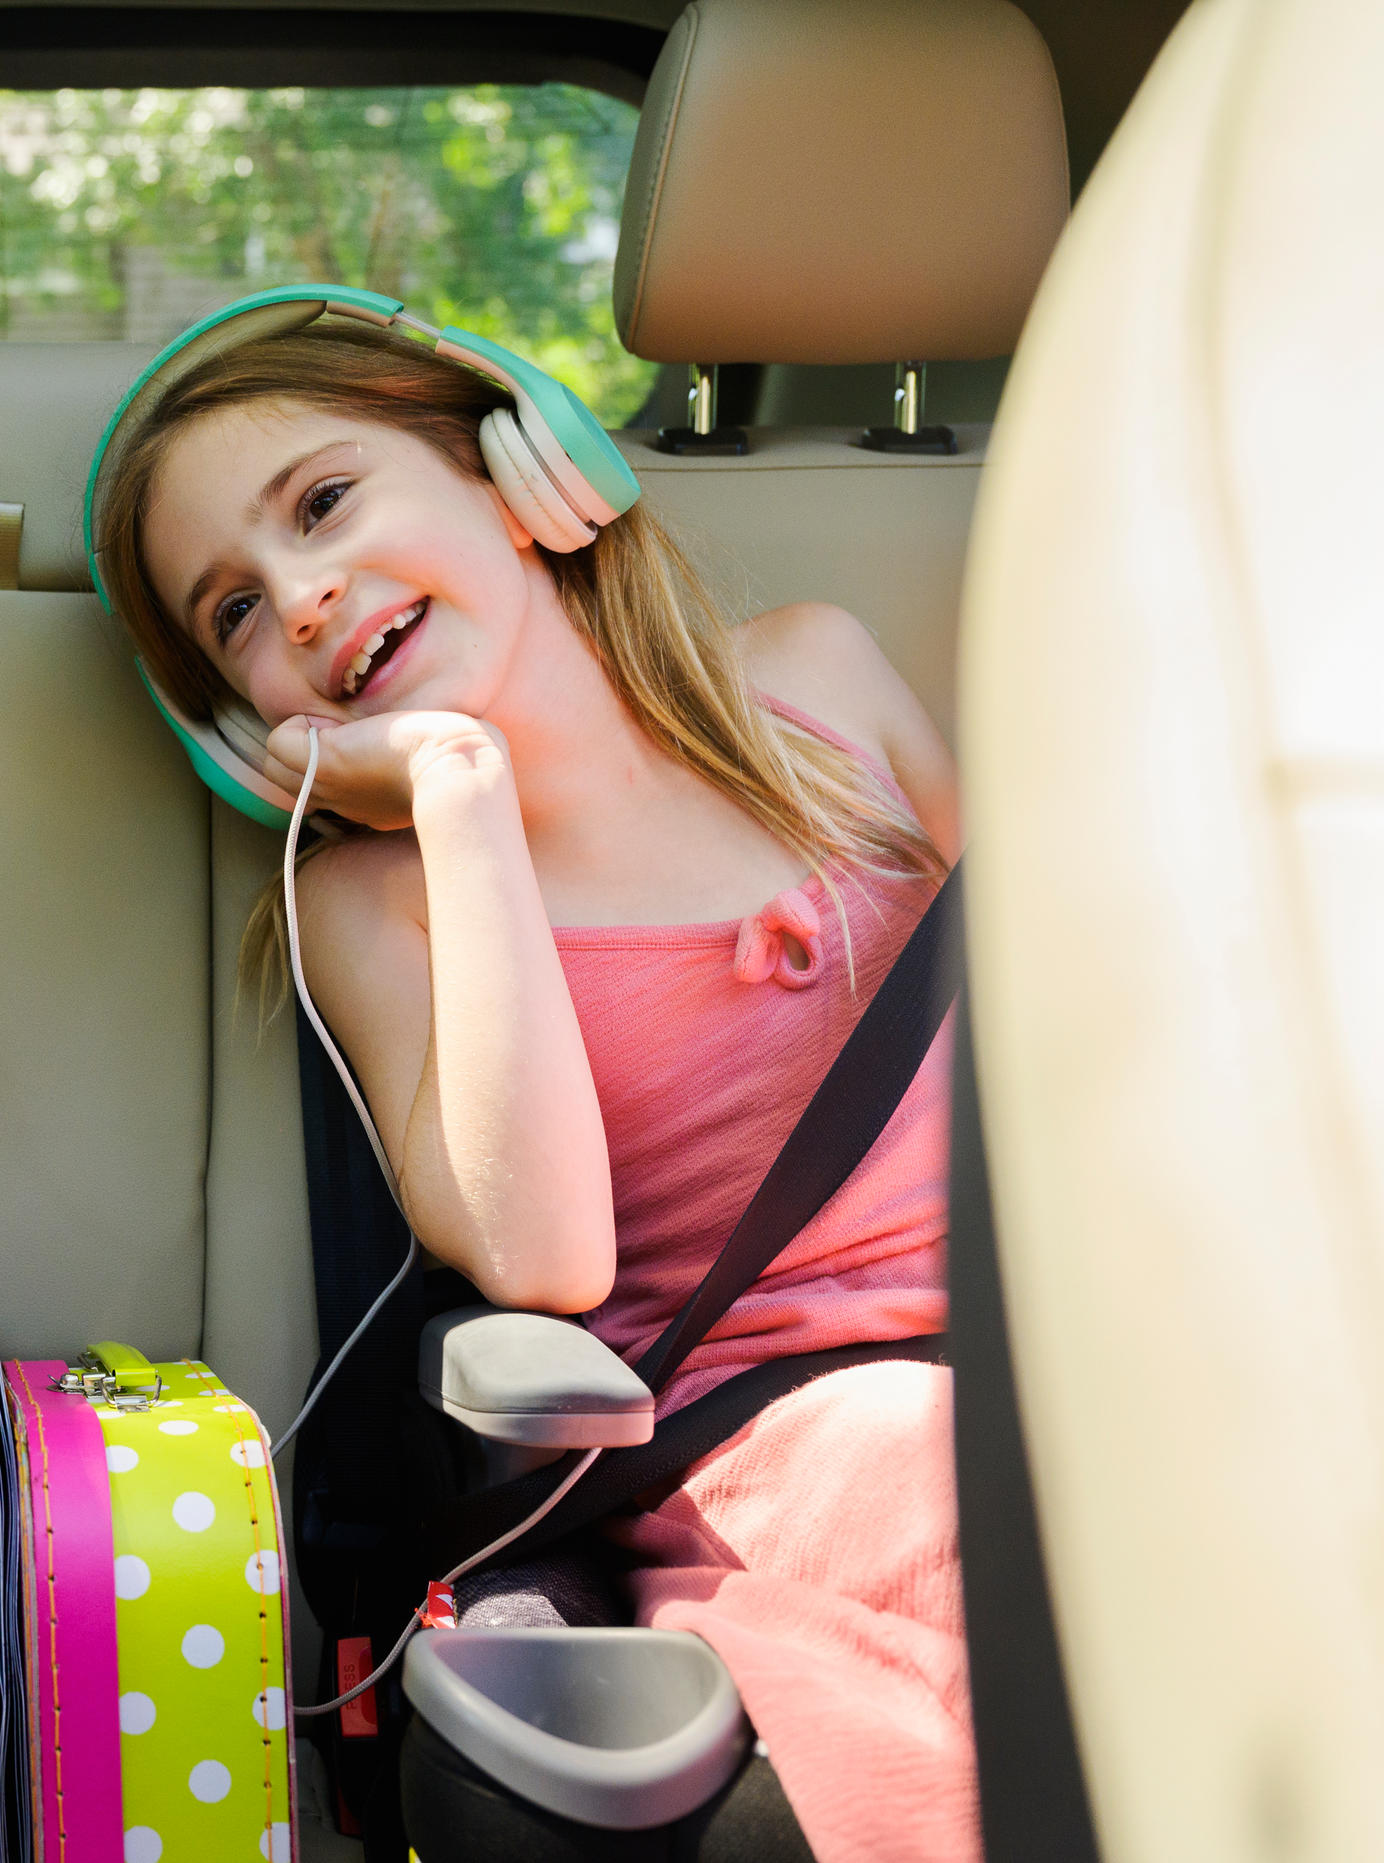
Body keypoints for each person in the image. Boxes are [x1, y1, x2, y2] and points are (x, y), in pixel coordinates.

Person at [92, 307, 972, 1861]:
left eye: (323, 503)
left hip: (1057, 1360)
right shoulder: (375, 907)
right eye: (233, 613)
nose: (298, 598)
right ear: (248, 741)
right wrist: (455, 790)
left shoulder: (824, 677)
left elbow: (1067, 1032)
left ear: (522, 469)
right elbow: (543, 1254)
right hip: (783, 1447)